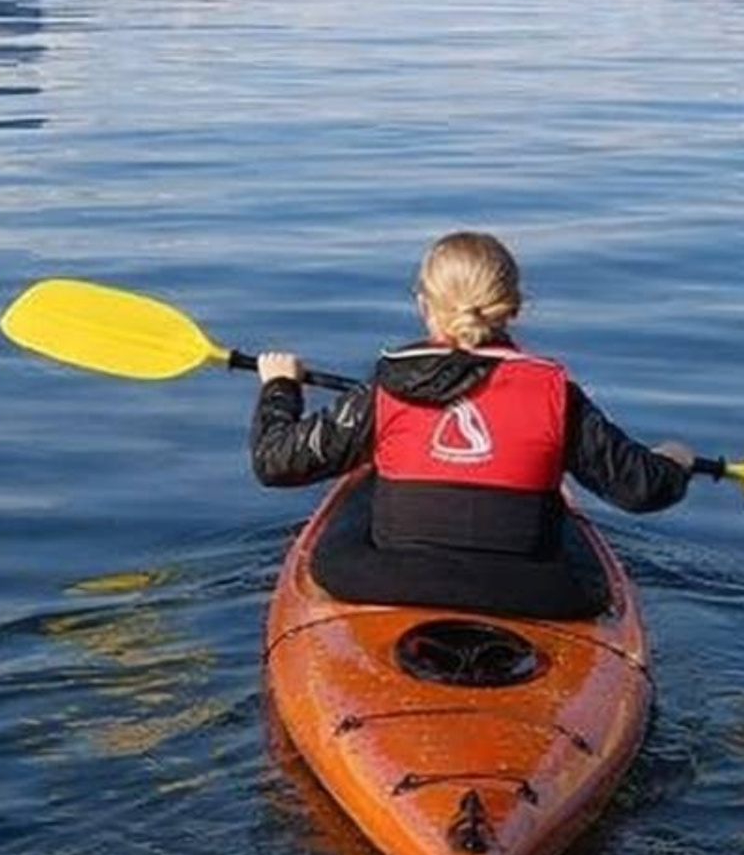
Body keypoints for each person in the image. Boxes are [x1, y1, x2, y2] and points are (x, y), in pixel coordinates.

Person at [250, 230, 695, 619]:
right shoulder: (557, 394)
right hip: (536, 594)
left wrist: (280, 387)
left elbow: (276, 463)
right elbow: (641, 490)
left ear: (424, 305)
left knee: (364, 480)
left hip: (387, 581)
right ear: (514, 308)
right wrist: (675, 463)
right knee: (562, 512)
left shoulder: (386, 388)